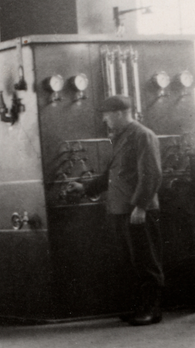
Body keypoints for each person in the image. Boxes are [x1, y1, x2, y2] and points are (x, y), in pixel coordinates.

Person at [69, 94, 164, 326]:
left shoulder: (143, 135)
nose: (105, 120)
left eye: (107, 115)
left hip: (136, 211)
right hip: (120, 210)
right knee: (129, 262)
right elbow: (111, 175)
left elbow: (151, 174)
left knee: (145, 261)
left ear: (120, 113)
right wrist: (85, 188)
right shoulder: (120, 138)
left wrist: (141, 206)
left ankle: (152, 310)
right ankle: (139, 307)